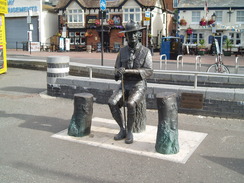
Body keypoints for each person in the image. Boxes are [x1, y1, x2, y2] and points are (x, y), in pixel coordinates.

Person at [108, 20, 153, 144]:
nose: (132, 36)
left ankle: (129, 131)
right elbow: (116, 72)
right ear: (126, 36)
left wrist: (128, 71)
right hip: (124, 83)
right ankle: (122, 129)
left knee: (131, 103)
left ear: (139, 34)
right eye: (129, 34)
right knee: (112, 102)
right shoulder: (122, 52)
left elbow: (148, 71)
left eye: (134, 33)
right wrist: (119, 73)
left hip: (138, 85)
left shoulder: (145, 51)